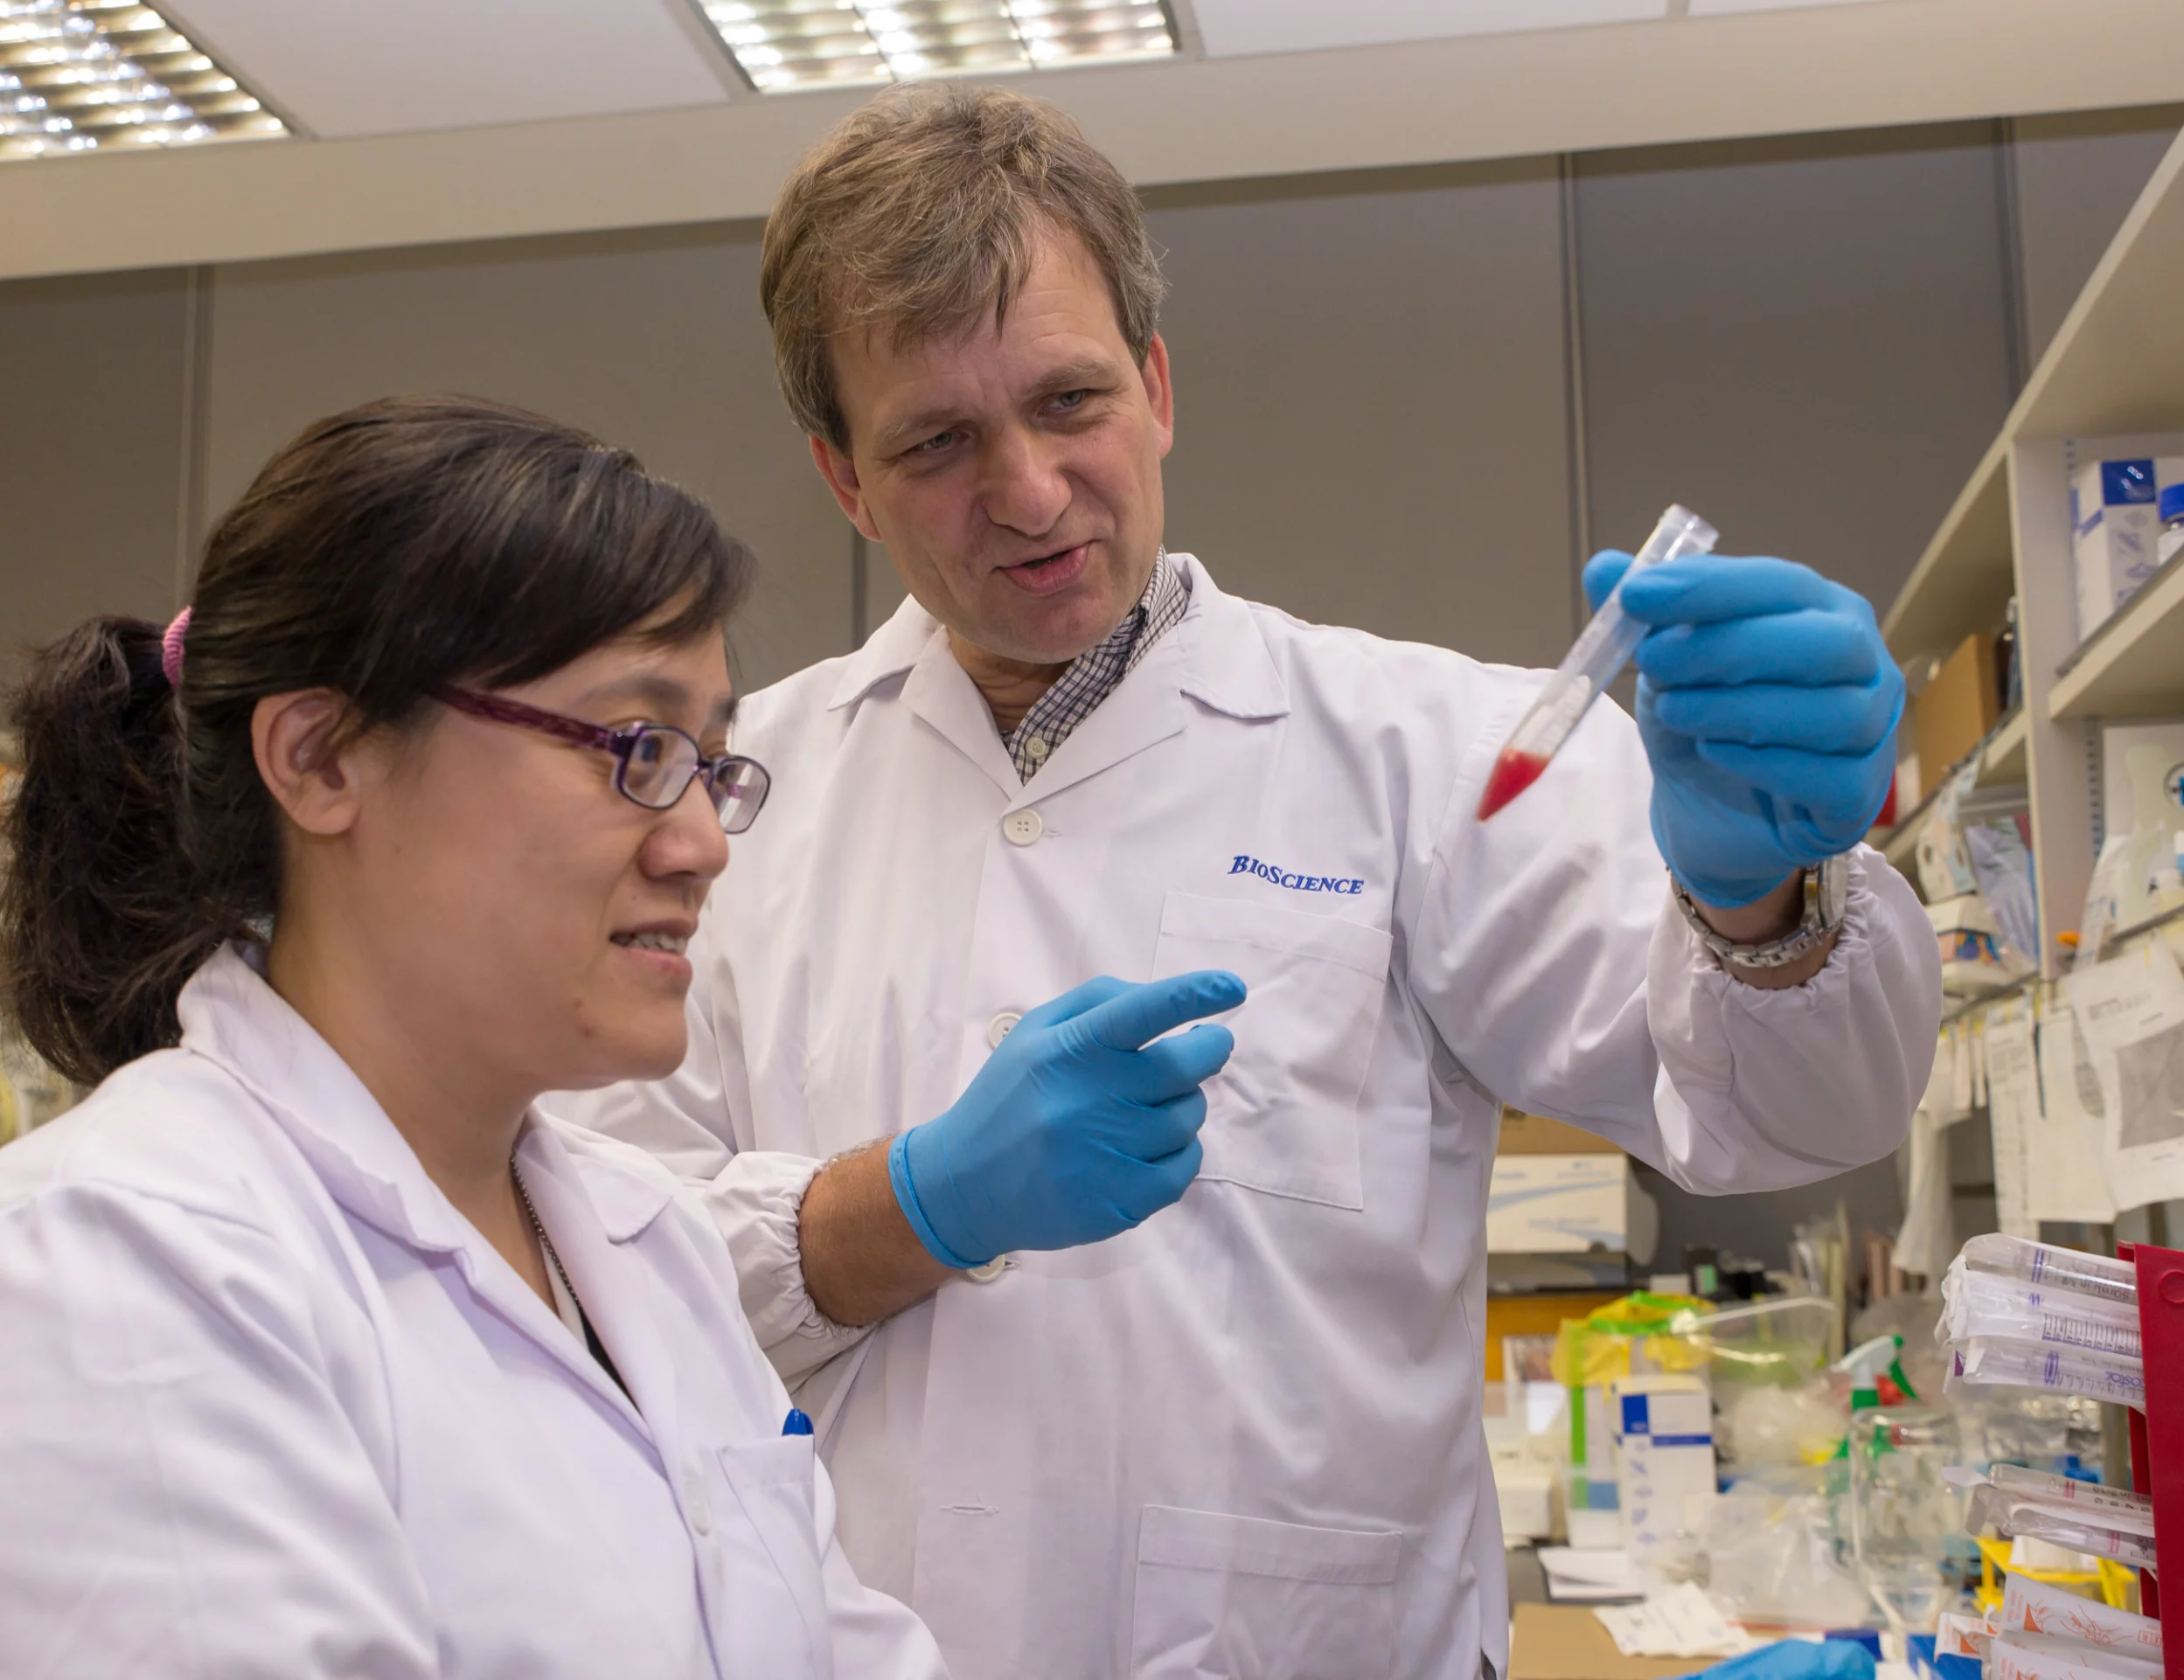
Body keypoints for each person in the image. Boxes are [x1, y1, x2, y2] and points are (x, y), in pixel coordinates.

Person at [567, 86, 1939, 1679]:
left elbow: (1802, 1115)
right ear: (842, 478)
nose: (1025, 492)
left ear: (1156, 386)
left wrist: (1760, 897)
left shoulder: (1424, 747)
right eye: (937, 441)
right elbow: (595, 1274)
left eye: (1069, 400)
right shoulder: (724, 805)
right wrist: (906, 1206)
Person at [0, 397, 961, 1677]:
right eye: (634, 747)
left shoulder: (643, 1241)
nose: (703, 842)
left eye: (710, 763)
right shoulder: (132, 1252)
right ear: (323, 754)